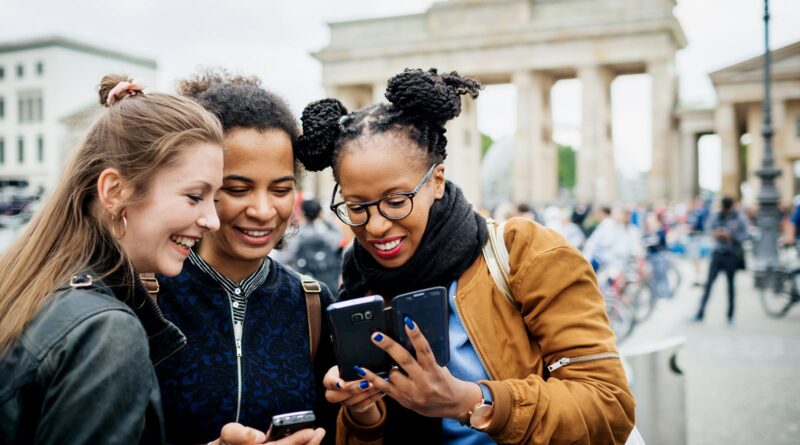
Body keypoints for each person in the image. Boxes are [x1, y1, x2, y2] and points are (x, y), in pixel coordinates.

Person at [296, 68, 635, 444]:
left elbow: (610, 407)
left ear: (436, 180)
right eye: (356, 207)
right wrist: (363, 412)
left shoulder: (526, 253)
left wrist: (473, 401)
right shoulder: (359, 285)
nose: (375, 227)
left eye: (396, 201)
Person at [0, 75, 265, 444]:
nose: (212, 220)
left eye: (215, 198)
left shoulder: (31, 283)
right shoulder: (106, 331)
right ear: (115, 191)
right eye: (193, 196)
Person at [153, 70, 331, 445]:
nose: (264, 210)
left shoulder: (313, 304)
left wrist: (365, 415)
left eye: (281, 189)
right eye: (238, 189)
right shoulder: (144, 298)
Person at [693, 196, 749, 324]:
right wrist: (715, 233)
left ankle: (730, 316)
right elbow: (707, 228)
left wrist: (732, 236)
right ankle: (700, 313)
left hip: (731, 255)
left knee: (730, 286)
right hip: (717, 254)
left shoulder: (739, 217)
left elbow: (745, 235)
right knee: (709, 285)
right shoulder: (716, 216)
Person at [288, 199, 343, 291]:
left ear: (302, 213)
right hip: (329, 287)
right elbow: (340, 234)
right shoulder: (328, 236)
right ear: (320, 213)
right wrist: (323, 218)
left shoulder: (295, 236)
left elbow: (283, 258)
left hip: (305, 288)